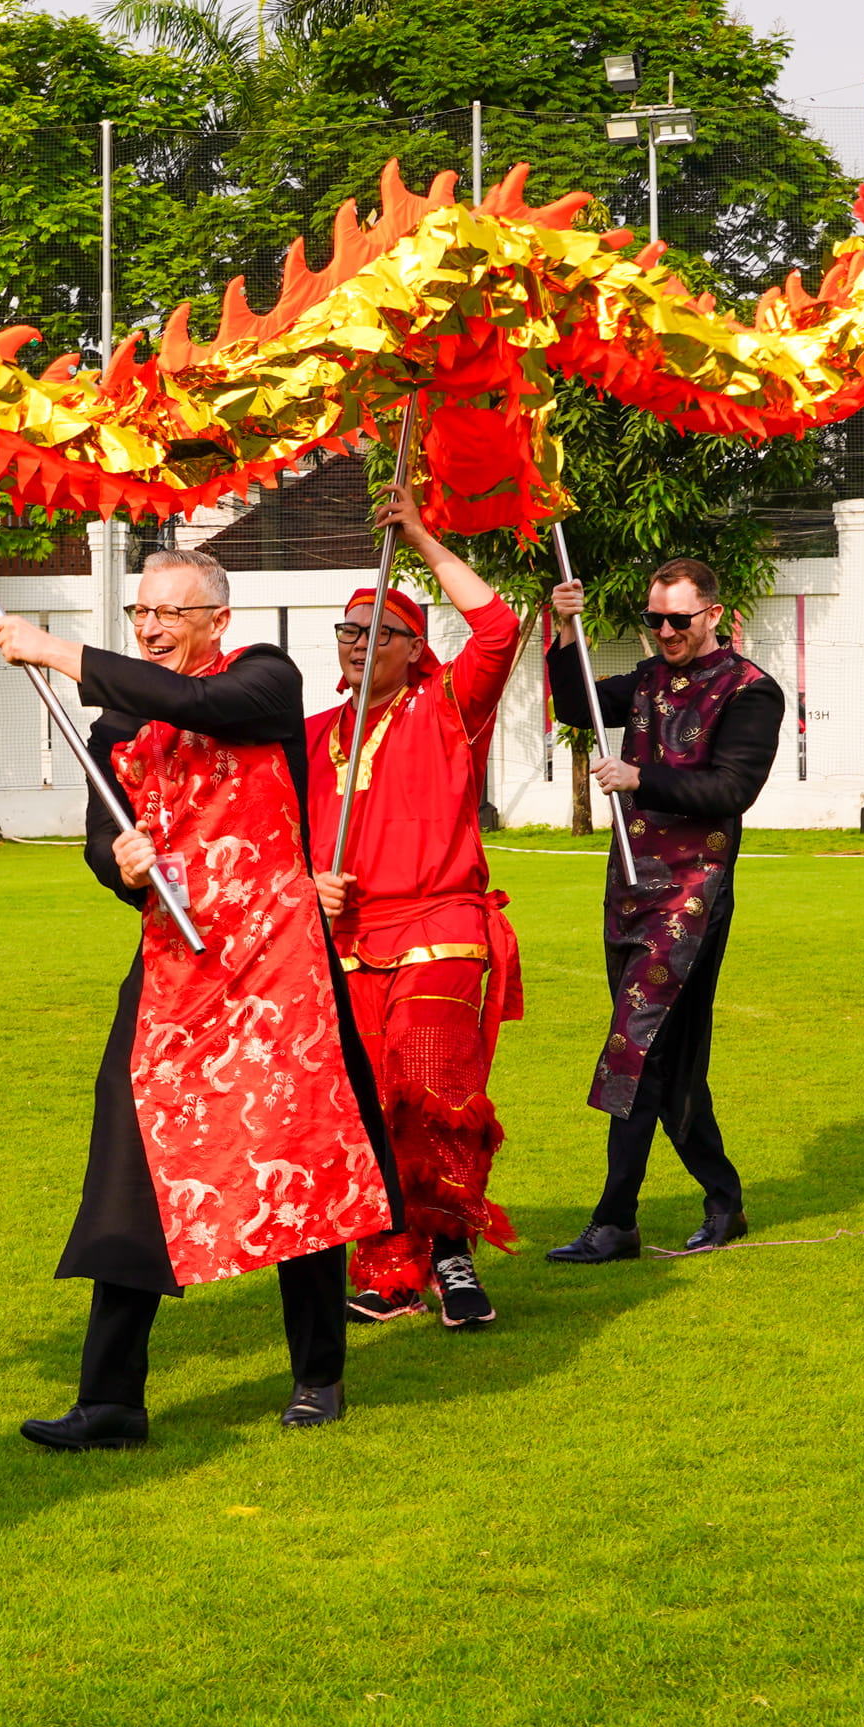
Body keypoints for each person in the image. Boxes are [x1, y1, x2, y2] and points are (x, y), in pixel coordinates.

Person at [0, 548, 399, 1448]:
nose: (149, 627)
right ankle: (110, 1402)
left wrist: (59, 653)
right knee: (130, 1167)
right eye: (141, 612)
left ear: (217, 618)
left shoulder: (265, 678)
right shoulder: (115, 727)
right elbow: (104, 842)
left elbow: (206, 708)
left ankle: (318, 1375)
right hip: (175, 975)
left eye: (170, 613)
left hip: (280, 966)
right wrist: (123, 865)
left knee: (300, 1161)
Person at [305, 485, 526, 1328]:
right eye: (347, 632)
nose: (357, 644)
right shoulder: (314, 731)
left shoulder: (446, 709)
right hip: (349, 939)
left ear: (412, 647)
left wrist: (424, 536)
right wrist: (305, 884)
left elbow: (499, 630)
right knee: (365, 1106)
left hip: (441, 927)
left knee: (433, 1092)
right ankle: (389, 1262)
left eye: (376, 633)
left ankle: (454, 1255)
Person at [541, 556, 786, 1264]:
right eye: (655, 620)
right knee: (668, 1063)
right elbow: (573, 704)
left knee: (635, 1049)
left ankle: (615, 1219)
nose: (666, 632)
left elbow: (731, 789)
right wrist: (563, 629)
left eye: (679, 619)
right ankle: (723, 1197)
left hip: (692, 896)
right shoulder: (648, 680)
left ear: (714, 613)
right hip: (629, 889)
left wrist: (640, 776)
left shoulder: (750, 692)